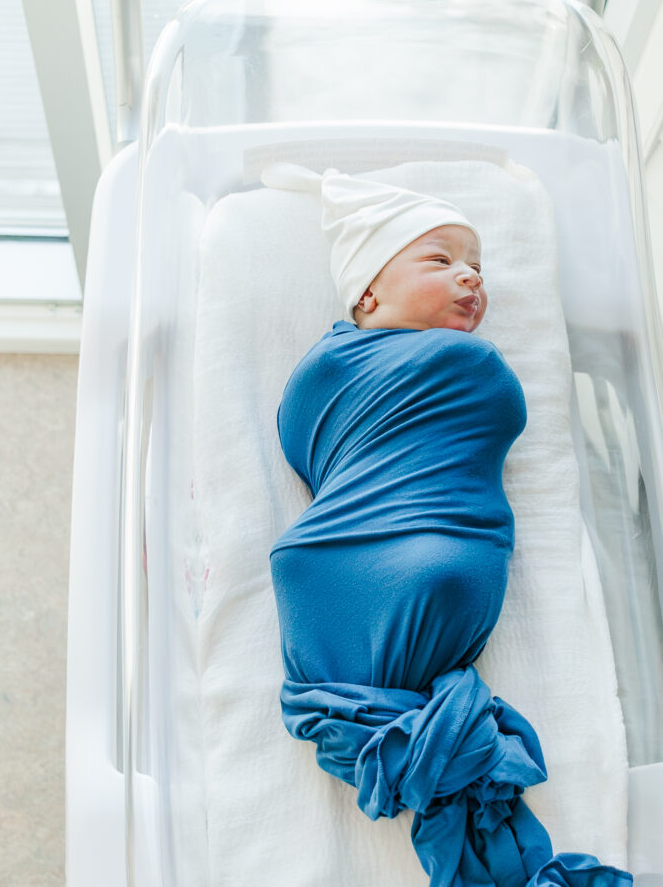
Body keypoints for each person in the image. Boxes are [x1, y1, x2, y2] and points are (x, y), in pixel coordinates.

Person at [262, 163, 631, 887]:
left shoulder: (437, 364)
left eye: (478, 266)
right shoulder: (341, 366)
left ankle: (419, 754)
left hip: (399, 571)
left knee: (429, 744)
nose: (470, 278)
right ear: (367, 289)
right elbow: (309, 433)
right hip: (341, 563)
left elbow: (309, 439)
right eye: (441, 260)